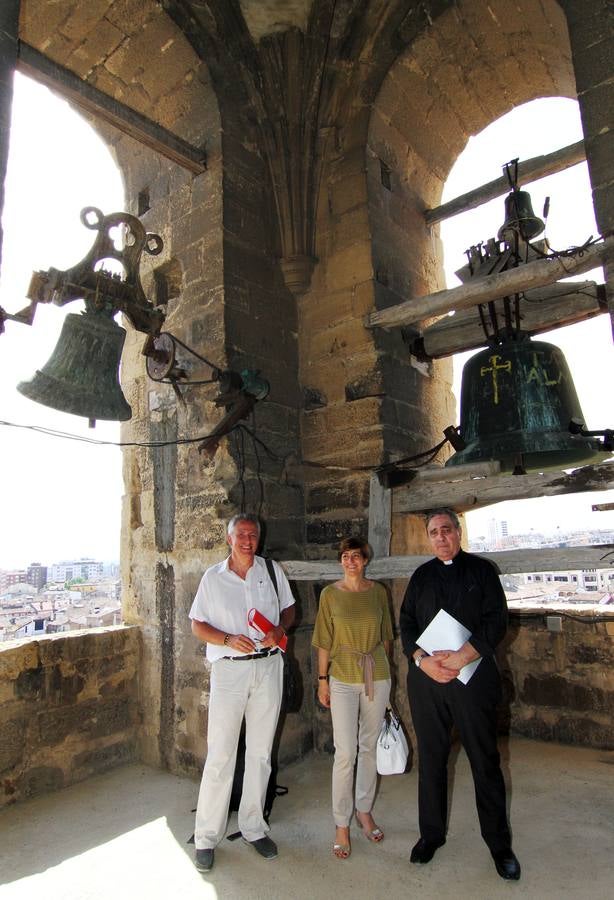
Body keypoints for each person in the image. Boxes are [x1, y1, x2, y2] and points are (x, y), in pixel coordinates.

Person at [399, 508, 521, 880]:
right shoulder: (421, 576)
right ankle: (430, 836)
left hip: (473, 679)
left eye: (446, 529)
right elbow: (407, 624)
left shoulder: (482, 571)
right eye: (434, 532)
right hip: (428, 683)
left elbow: (496, 620)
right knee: (432, 760)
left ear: (458, 532)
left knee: (485, 761)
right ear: (429, 538)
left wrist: (464, 655)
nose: (441, 537)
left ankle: (499, 845)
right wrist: (422, 661)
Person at [189, 514, 296, 873]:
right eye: (241, 535)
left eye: (253, 535)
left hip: (268, 667)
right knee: (221, 753)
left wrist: (279, 629)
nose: (248, 541)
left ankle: (253, 828)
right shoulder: (213, 577)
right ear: (229, 538)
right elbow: (197, 624)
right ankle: (206, 836)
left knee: (261, 752)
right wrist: (226, 638)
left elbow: (289, 609)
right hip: (230, 670)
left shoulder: (271, 571)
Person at [312, 536, 393, 860]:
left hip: (376, 675)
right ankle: (341, 823)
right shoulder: (330, 595)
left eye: (356, 556)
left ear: (365, 560)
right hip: (342, 677)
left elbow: (386, 637)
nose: (350, 561)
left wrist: (387, 675)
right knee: (345, 752)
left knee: (369, 747)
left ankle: (364, 810)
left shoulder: (379, 592)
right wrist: (322, 680)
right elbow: (323, 641)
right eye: (345, 556)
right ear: (340, 561)